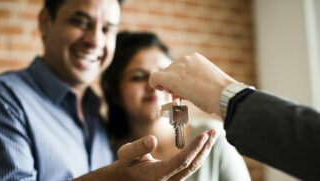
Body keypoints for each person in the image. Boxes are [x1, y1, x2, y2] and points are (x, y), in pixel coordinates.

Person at [0, 0, 217, 180]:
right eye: (81, 22)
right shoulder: (1, 100)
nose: (95, 40)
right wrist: (116, 177)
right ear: (46, 22)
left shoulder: (95, 114)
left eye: (107, 29)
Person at [101, 31, 251, 181]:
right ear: (114, 92)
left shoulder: (213, 137)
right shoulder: (108, 156)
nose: (153, 85)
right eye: (138, 77)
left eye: (163, 74)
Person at [149, 52, 320, 180]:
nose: (154, 86)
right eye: (137, 77)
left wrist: (226, 95)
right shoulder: (122, 161)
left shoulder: (210, 133)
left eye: (166, 73)